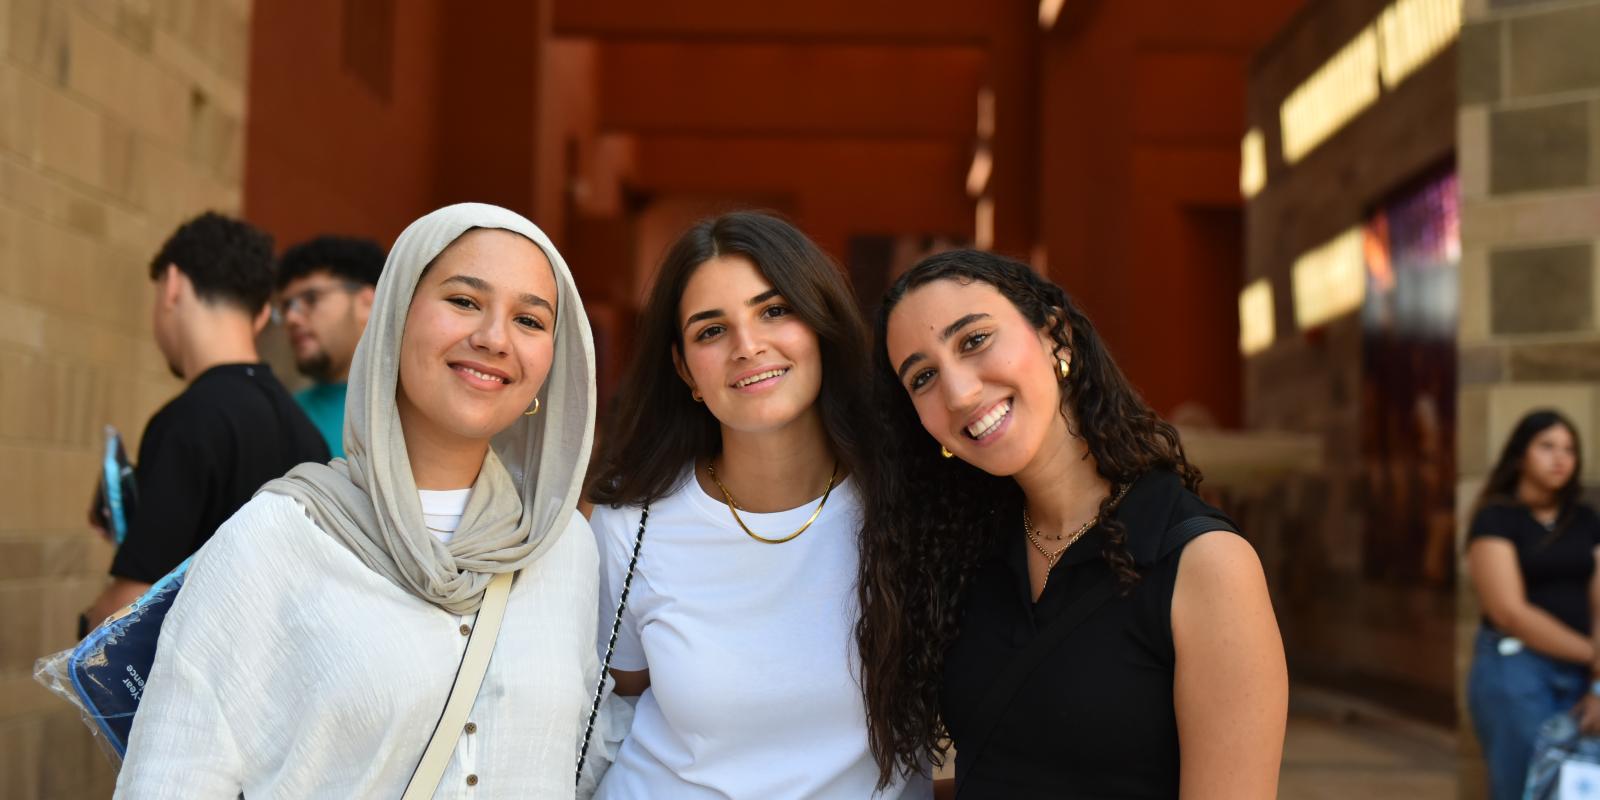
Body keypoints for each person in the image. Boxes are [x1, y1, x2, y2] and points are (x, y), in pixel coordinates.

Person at [116, 203, 613, 798]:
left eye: (530, 320)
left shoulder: (565, 551)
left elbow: (582, 758)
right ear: (395, 317)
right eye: (463, 301)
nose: (493, 338)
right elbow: (171, 780)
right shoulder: (275, 541)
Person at [858, 250, 1286, 798]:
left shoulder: (1203, 564)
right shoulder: (969, 557)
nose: (959, 393)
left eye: (974, 340)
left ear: (1056, 337)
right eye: (923, 377)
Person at [586, 212, 928, 798]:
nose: (748, 346)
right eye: (710, 331)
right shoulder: (630, 524)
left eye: (774, 311)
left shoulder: (909, 504)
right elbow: (613, 706)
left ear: (821, 323)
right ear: (684, 369)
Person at [84, 212, 329, 626]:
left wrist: (88, 621)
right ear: (257, 315)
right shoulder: (307, 434)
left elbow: (127, 611)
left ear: (173, 285)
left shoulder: (190, 418)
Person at [1466, 409, 1600, 800]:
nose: (1560, 458)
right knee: (1523, 787)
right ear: (1521, 454)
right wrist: (1594, 655)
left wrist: (1597, 681)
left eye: (1569, 450)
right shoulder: (1497, 518)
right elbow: (1508, 612)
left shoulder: (1587, 519)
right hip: (1517, 670)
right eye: (1547, 446)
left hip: (1583, 676)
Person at [274, 235, 386, 458]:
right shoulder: (284, 415)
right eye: (286, 306)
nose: (291, 318)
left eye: (311, 298)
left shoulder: (414, 410)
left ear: (368, 303)